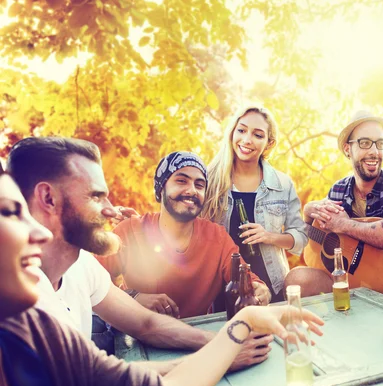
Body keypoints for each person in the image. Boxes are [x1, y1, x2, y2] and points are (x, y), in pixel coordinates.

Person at [0, 169, 324, 386]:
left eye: (199, 183)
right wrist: (224, 345)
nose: (112, 208)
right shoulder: (126, 235)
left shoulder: (39, 322)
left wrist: (236, 325)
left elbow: (147, 357)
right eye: (10, 213)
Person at [7, 138, 271, 370]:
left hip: (185, 337)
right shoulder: (22, 299)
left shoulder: (81, 267)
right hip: (141, 354)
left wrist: (222, 343)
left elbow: (147, 324)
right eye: (96, 196)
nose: (111, 209)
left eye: (200, 184)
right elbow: (104, 379)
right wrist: (219, 355)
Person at [99, 150, 272, 316]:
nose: (191, 190)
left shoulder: (217, 237)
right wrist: (134, 297)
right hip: (136, 334)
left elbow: (248, 280)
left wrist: (260, 289)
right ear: (161, 188)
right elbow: (89, 281)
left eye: (199, 184)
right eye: (181, 181)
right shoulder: (129, 231)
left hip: (196, 334)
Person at [303, 110, 383, 299]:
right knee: (296, 280)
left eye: (380, 143)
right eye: (365, 143)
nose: (374, 152)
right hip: (349, 283)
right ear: (347, 149)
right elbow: (322, 238)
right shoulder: (338, 190)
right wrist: (308, 214)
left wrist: (343, 224)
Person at [202, 105, 308, 303]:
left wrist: (269, 236)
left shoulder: (282, 184)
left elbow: (301, 238)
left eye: (258, 135)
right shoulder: (208, 180)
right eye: (241, 130)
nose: (247, 140)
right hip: (221, 289)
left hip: (271, 287)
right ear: (232, 132)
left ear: (269, 144)